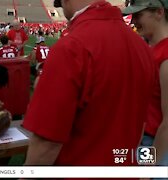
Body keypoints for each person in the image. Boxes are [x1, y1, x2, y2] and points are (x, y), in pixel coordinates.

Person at [23, 0, 155, 167]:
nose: (59, 6)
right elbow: (140, 126)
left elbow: (46, 144)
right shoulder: (143, 48)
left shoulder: (71, 47)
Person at [123, 0, 168, 166]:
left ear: (159, 12)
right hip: (146, 142)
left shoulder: (165, 54)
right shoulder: (152, 50)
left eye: (139, 15)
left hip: (158, 146)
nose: (133, 21)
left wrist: (150, 166)